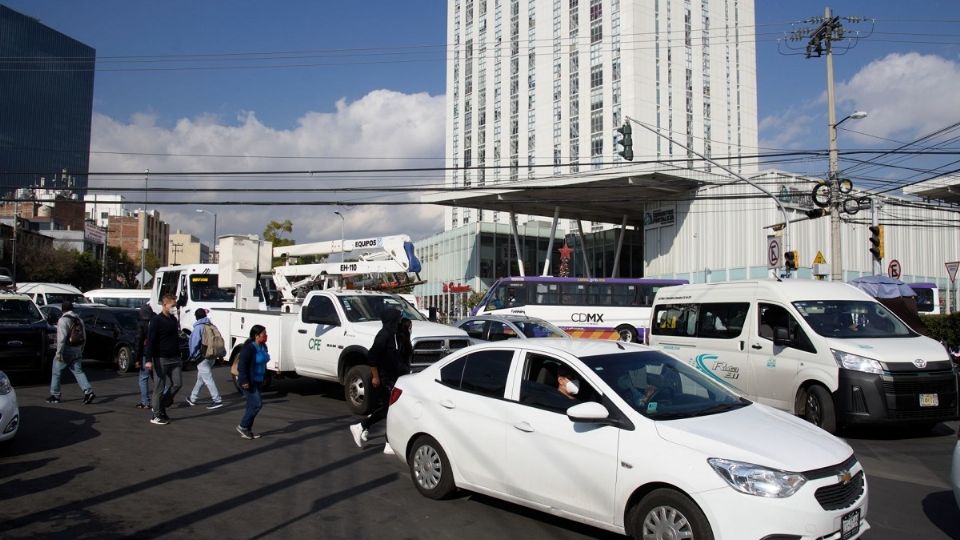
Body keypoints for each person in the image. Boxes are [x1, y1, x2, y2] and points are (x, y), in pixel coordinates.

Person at [349, 309, 411, 450]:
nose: (400, 321)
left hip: (396, 377)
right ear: (391, 320)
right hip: (384, 378)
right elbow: (372, 357)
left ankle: (385, 441)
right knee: (389, 409)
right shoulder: (383, 336)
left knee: (388, 409)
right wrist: (376, 377)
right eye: (398, 318)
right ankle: (361, 426)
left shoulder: (396, 334)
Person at [46, 301, 95, 404]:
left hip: (66, 351)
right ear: (72, 309)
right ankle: (88, 391)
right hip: (77, 350)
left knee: (56, 371)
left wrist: (59, 353)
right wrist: (81, 349)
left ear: (62, 309)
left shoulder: (63, 320)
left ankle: (55, 395)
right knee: (78, 372)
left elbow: (61, 339)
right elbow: (84, 336)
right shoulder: (79, 320)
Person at [146, 294, 183, 425]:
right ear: (164, 305)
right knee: (159, 387)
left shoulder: (173, 320)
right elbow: (151, 341)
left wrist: (179, 355)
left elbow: (175, 339)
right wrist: (148, 359)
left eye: (175, 305)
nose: (174, 308)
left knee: (178, 383)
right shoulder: (156, 321)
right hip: (161, 359)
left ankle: (161, 405)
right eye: (172, 305)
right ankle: (156, 414)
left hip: (175, 358)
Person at [236, 324, 269, 439]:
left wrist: (265, 377)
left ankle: (247, 430)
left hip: (258, 380)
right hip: (248, 381)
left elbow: (264, 363)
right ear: (256, 335)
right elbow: (242, 366)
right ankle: (243, 426)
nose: (265, 336)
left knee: (251, 405)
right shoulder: (249, 348)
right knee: (257, 404)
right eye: (263, 334)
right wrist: (244, 380)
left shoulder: (263, 346)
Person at [186, 308, 224, 409]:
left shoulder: (198, 327)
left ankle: (217, 400)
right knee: (201, 378)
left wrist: (192, 356)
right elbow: (219, 341)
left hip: (202, 357)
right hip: (212, 356)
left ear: (196, 317)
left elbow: (194, 344)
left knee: (207, 379)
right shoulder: (212, 326)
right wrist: (220, 355)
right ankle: (192, 398)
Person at [135, 302, 155, 409]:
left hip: (146, 353)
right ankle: (164, 396)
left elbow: (138, 341)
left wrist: (137, 358)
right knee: (157, 377)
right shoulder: (156, 320)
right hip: (158, 353)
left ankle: (145, 401)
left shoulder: (142, 323)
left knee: (143, 377)